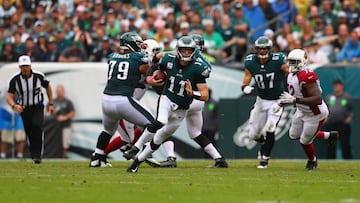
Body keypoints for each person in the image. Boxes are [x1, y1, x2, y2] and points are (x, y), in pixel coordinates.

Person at [124, 36, 228, 173]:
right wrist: (154, 75)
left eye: (189, 50)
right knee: (162, 122)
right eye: (183, 50)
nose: (186, 53)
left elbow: (205, 95)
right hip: (168, 98)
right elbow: (155, 62)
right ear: (178, 50)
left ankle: (139, 161)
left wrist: (192, 94)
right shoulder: (169, 58)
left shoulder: (199, 66)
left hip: (185, 105)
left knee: (160, 137)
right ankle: (136, 148)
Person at [89, 32, 156, 167]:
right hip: (123, 99)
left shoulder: (112, 56)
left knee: (107, 131)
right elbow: (147, 71)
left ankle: (97, 158)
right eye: (137, 44)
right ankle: (138, 151)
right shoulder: (138, 57)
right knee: (152, 124)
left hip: (106, 99)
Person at [279, 49, 339, 170]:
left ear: (302, 62)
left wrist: (295, 101)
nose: (292, 65)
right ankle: (328, 136)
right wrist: (283, 103)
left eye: (295, 62)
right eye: (290, 62)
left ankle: (312, 161)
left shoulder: (305, 76)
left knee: (305, 141)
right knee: (293, 134)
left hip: (315, 114)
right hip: (302, 110)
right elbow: (295, 95)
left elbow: (317, 98)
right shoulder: (291, 75)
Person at [241, 36, 289, 169]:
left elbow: (289, 73)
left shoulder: (278, 60)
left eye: (265, 48)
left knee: (270, 128)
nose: (262, 51)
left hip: (277, 100)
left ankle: (264, 159)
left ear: (270, 49)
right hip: (261, 101)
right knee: (253, 135)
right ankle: (263, 143)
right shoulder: (250, 62)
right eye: (260, 48)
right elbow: (246, 79)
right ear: (256, 49)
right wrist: (245, 87)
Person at [7, 55, 56, 164]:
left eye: (27, 66)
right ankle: (34, 154)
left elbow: (48, 86)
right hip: (24, 108)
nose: (25, 68)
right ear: (19, 67)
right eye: (23, 66)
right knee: (29, 132)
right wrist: (14, 105)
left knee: (37, 126)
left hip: (37, 107)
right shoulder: (15, 80)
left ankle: (37, 155)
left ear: (30, 66)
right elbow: (9, 95)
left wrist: (51, 103)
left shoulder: (38, 76)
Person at [324, 79, 353, 159]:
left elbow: (351, 110)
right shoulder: (329, 97)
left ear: (341, 86)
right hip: (331, 124)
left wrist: (349, 117)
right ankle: (330, 161)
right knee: (331, 145)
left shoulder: (347, 97)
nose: (336, 87)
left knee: (345, 144)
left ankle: (348, 161)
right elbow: (325, 108)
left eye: (338, 85)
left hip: (342, 124)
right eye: (335, 85)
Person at [0, 89, 25, 159]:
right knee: (5, 138)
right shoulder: (4, 94)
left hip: (19, 116)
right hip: (7, 115)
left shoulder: (22, 93)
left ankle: (20, 155)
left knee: (20, 137)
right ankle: (2, 155)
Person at [54, 85, 75, 158]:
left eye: (60, 91)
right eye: (58, 91)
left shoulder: (68, 102)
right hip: (54, 127)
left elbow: (72, 113)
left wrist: (64, 117)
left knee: (65, 143)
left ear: (63, 92)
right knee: (55, 143)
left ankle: (63, 157)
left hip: (65, 126)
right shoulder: (53, 101)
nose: (59, 93)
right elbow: (47, 111)